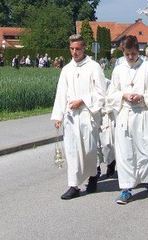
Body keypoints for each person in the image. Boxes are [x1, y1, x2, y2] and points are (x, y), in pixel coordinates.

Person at [106, 35, 148, 204]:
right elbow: (111, 94)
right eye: (127, 54)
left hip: (143, 114)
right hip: (125, 115)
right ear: (123, 52)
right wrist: (123, 95)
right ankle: (126, 188)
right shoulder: (118, 70)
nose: (131, 57)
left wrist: (142, 96)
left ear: (139, 51)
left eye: (133, 54)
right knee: (125, 153)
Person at [51, 34, 107, 200]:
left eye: (78, 49)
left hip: (87, 114)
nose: (74, 52)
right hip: (71, 117)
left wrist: (82, 101)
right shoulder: (67, 69)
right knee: (72, 150)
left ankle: (93, 175)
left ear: (84, 48)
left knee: (89, 149)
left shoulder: (93, 67)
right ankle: (74, 185)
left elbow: (101, 92)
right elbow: (61, 93)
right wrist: (58, 116)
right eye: (72, 49)